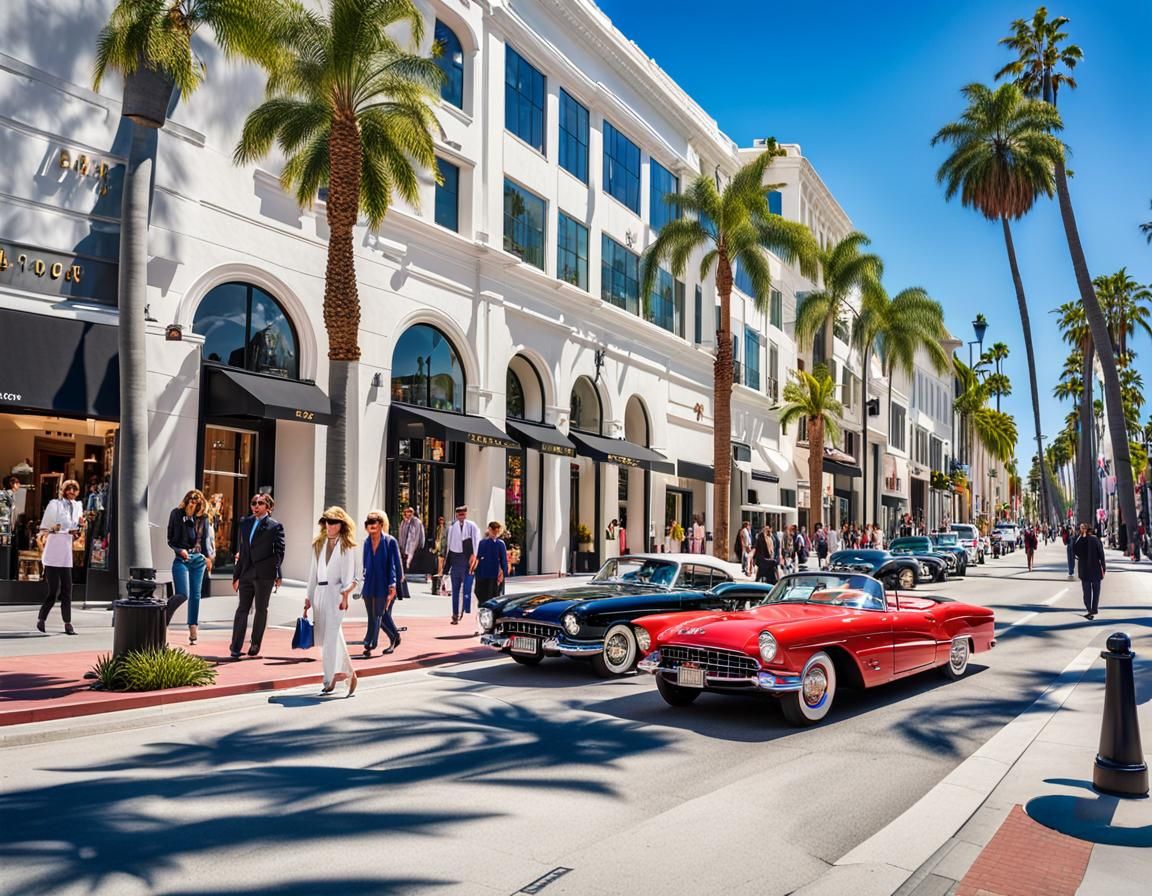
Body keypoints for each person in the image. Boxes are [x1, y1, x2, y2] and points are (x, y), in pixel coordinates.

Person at [305, 507, 359, 695]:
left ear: (341, 525)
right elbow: (312, 574)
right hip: (319, 592)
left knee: (330, 638)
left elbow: (349, 576)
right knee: (329, 637)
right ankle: (350, 673)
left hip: (337, 594)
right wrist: (308, 597)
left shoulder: (347, 545)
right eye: (327, 521)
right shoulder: (318, 543)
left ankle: (328, 680)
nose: (330, 525)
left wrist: (345, 597)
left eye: (334, 522)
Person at [229, 492, 285, 660]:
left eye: (260, 503)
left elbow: (279, 553)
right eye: (254, 503)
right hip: (246, 572)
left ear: (268, 507)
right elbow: (243, 549)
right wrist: (236, 575)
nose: (256, 506)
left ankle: (255, 643)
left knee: (261, 610)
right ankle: (236, 646)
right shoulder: (245, 523)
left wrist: (276, 572)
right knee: (242, 609)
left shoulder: (275, 526)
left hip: (264, 575)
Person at [167, 489, 215, 645]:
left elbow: (206, 540)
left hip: (199, 560)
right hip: (182, 559)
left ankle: (193, 627)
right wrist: (179, 550)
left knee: (195, 596)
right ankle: (163, 618)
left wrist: (208, 558)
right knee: (183, 594)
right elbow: (171, 539)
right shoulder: (177, 514)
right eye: (191, 501)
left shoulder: (204, 518)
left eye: (197, 502)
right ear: (186, 501)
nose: (194, 504)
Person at [36, 479, 83, 635]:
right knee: (53, 591)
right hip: (53, 551)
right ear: (63, 490)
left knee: (67, 590)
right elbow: (46, 528)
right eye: (68, 488)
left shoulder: (78, 506)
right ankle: (41, 619)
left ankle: (67, 623)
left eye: (74, 489)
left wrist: (79, 530)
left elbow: (77, 529)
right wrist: (61, 530)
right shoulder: (55, 504)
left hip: (66, 554)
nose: (71, 491)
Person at [361, 510, 404, 657]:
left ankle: (370, 643)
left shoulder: (390, 541)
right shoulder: (366, 542)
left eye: (374, 523)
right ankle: (395, 637)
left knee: (378, 613)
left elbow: (394, 564)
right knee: (374, 614)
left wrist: (393, 585)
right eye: (368, 523)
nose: (371, 526)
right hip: (369, 583)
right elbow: (365, 564)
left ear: (380, 524)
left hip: (384, 583)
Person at [445, 504, 481, 625]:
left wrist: (475, 557)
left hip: (467, 560)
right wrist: (446, 566)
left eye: (463, 514)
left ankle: (465, 610)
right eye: (459, 514)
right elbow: (448, 547)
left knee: (467, 588)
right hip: (455, 560)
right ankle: (455, 614)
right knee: (455, 590)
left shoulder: (472, 526)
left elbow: (476, 542)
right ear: (456, 515)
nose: (461, 516)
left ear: (466, 514)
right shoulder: (452, 527)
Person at [1072, 521, 1106, 620]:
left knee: (1093, 591)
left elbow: (1101, 554)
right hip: (1088, 570)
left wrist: (1103, 566)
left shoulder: (1093, 540)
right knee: (1089, 591)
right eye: (1081, 528)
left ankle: (1092, 609)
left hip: (1091, 569)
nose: (1081, 530)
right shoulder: (1084, 540)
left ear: (1087, 529)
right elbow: (1075, 551)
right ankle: (1091, 609)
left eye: (1083, 528)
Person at [474, 521, 509, 607]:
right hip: (482, 575)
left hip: (494, 576)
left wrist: (502, 574)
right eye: (493, 531)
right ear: (489, 530)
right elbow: (478, 558)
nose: (495, 533)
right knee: (482, 598)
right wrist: (475, 573)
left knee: (495, 599)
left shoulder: (500, 544)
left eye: (497, 531)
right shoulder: (482, 543)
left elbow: (504, 561)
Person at [397, 506, 425, 573]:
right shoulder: (403, 522)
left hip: (415, 549)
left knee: (413, 569)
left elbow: (419, 537)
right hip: (405, 549)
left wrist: (419, 547)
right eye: (407, 512)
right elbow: (401, 535)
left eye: (410, 512)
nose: (408, 514)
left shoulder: (417, 522)